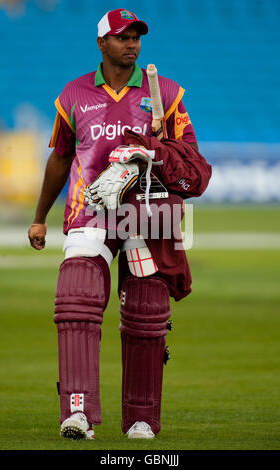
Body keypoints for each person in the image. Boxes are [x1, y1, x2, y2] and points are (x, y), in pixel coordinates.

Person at [28, 8, 211, 440]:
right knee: (76, 297)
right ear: (101, 44)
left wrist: (155, 153)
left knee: (147, 311)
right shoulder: (73, 95)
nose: (131, 43)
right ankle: (77, 412)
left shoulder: (165, 92)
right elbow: (59, 158)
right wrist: (40, 218)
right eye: (122, 37)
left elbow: (194, 163)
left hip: (147, 213)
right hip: (88, 207)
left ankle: (141, 418)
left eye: (136, 37)